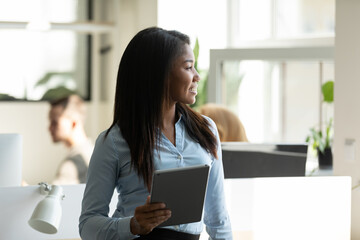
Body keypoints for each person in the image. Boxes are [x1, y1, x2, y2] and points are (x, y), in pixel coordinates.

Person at [79, 27, 233, 240]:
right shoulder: (114, 141)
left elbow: (218, 218)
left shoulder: (206, 130)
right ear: (159, 73)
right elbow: (88, 225)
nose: (197, 76)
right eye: (188, 67)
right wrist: (133, 225)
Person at [48, 94, 94, 184]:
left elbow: (53, 197)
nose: (49, 128)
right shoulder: (91, 151)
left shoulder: (75, 162)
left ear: (73, 123)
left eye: (54, 123)